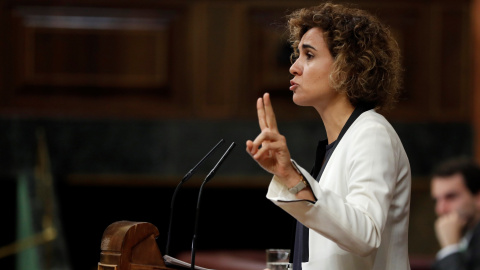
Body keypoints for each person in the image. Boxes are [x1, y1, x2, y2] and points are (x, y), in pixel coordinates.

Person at [245, 2, 411, 270]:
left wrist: (292, 178)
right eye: (297, 55)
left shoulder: (372, 134)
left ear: (349, 68)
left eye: (308, 55)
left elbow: (365, 235)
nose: (294, 67)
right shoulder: (338, 144)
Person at [430, 158, 480, 270]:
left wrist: (451, 249)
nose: (440, 209)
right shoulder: (466, 238)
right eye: (436, 200)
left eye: (451, 197)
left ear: (477, 197)